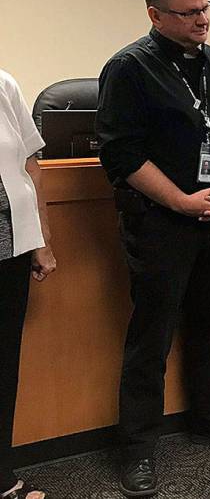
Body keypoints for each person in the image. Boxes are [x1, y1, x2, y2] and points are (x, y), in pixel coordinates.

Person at [96, 0, 210, 497]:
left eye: (205, 8)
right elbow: (121, 155)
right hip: (161, 222)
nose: (202, 20)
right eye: (189, 12)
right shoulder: (128, 68)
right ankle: (138, 447)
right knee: (152, 335)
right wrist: (182, 202)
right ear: (156, 15)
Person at [0, 70, 57, 499]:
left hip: (9, 250)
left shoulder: (3, 84)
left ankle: (2, 478)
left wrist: (41, 241)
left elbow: (30, 168)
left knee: (3, 366)